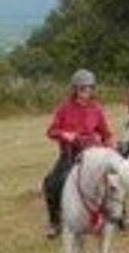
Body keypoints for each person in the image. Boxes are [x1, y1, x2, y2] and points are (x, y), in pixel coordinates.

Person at [42, 69, 114, 239]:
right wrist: (65, 134)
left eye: (89, 88)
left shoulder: (96, 109)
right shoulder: (64, 108)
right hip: (70, 154)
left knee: (114, 179)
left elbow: (106, 133)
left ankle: (121, 215)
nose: (85, 92)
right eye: (81, 89)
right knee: (51, 184)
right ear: (74, 89)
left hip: (93, 152)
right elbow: (51, 131)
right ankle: (55, 222)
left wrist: (110, 146)